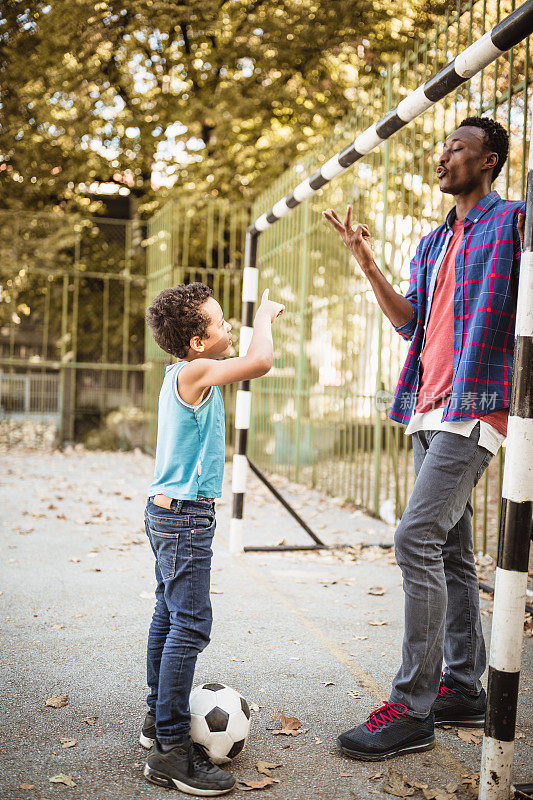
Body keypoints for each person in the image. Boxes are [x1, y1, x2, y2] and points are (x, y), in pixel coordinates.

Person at [323, 116, 525, 761]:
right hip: (427, 405)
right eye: (442, 147)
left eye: (457, 148)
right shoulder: (433, 242)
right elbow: (410, 323)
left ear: (489, 160)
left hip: (478, 403)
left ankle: (411, 708)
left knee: (416, 536)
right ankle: (462, 688)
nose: (443, 157)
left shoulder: (516, 224)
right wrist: (366, 260)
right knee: (453, 549)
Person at [140, 282, 284, 793]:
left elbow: (243, 361)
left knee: (169, 614)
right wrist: (263, 316)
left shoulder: (185, 370)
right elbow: (261, 362)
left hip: (167, 512)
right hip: (183, 519)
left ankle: (159, 720)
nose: (230, 329)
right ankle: (172, 751)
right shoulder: (198, 371)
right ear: (198, 342)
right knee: (192, 625)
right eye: (220, 323)